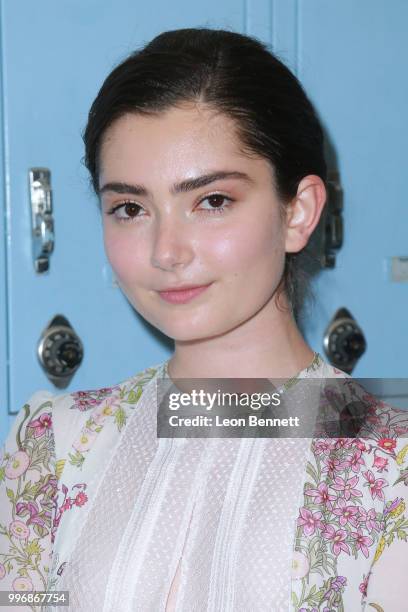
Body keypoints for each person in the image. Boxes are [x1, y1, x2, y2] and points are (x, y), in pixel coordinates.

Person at [1, 27, 407, 612]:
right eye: (131, 208)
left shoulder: (390, 472)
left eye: (211, 201)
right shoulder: (50, 448)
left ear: (298, 212)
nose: (167, 251)